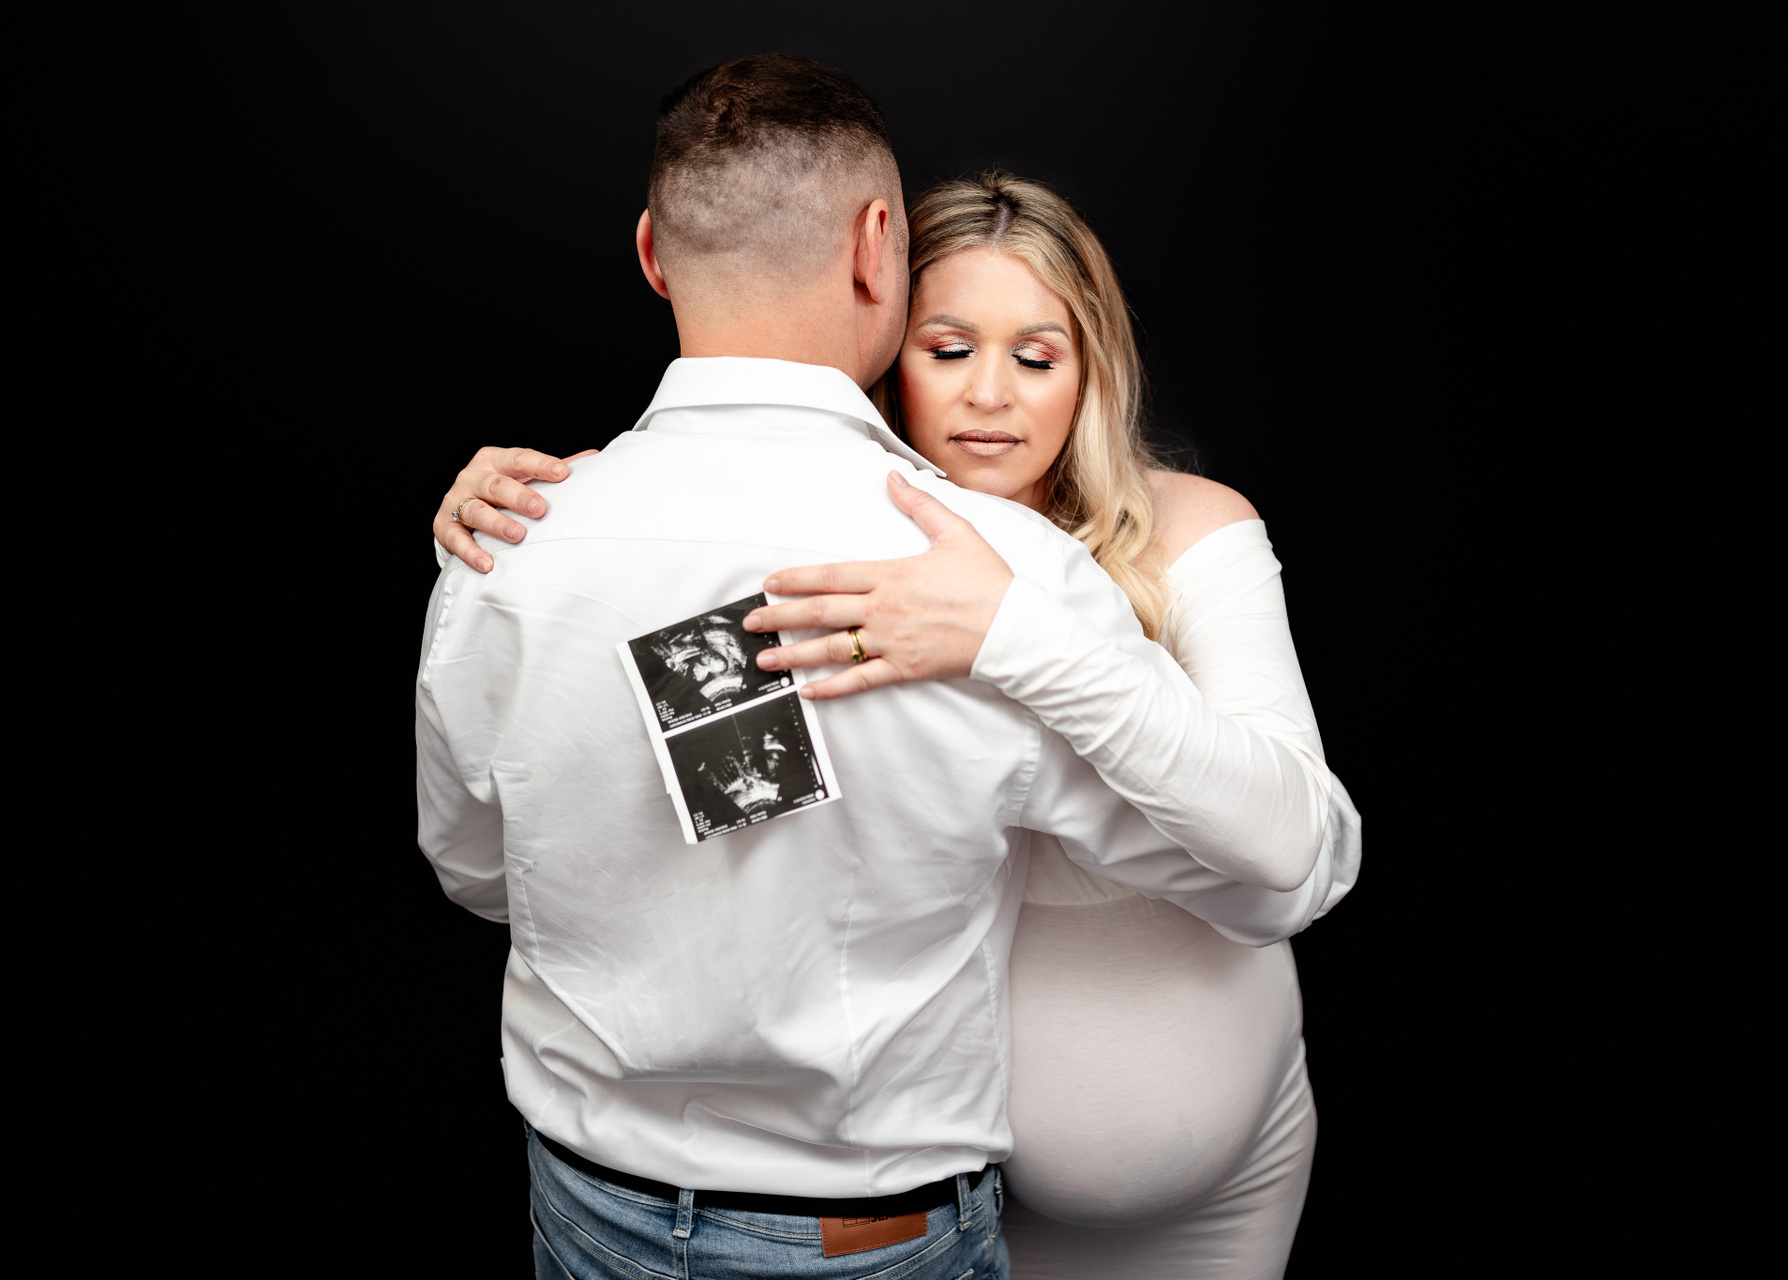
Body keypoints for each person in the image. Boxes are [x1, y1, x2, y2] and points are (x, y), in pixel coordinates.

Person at [415, 56, 1322, 1280]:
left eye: (1037, 355)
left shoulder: (514, 542)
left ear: (652, 251)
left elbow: (476, 868)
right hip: (859, 1224)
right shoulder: (987, 561)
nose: (990, 393)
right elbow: (1272, 865)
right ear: (877, 254)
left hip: (594, 1198)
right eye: (950, 346)